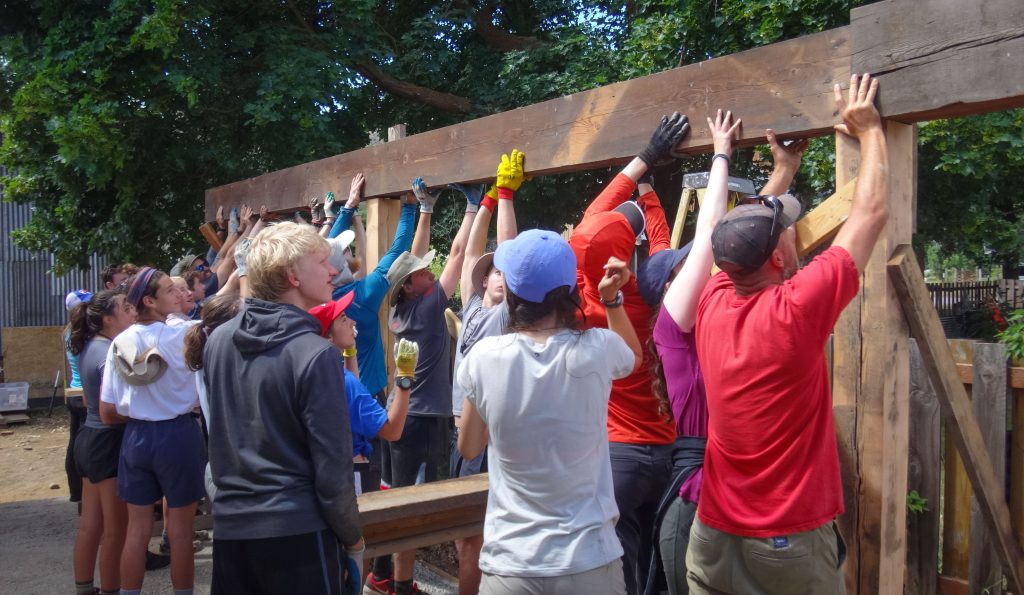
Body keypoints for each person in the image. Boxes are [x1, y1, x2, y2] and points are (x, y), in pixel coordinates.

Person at [688, 74, 887, 594]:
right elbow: (871, 212)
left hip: (711, 535)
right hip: (785, 542)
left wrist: (784, 170)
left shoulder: (713, 299)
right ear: (778, 257)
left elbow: (741, 238)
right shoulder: (795, 309)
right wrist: (869, 131)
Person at [636, 112, 808, 595]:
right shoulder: (675, 326)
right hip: (698, 505)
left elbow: (744, 235)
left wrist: (784, 173)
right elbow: (715, 226)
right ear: (671, 285)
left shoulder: (718, 312)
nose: (704, 263)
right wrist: (720, 154)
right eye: (688, 264)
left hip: (737, 499)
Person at [457, 229, 642, 595]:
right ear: (569, 291)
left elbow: (469, 447)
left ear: (511, 291)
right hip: (589, 560)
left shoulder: (484, 357)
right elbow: (633, 357)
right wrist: (612, 300)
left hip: (511, 562)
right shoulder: (598, 349)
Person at [202, 222, 364, 595]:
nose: (334, 270)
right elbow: (333, 468)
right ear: (292, 274)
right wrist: (353, 539)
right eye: (322, 261)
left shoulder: (219, 341)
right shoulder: (315, 353)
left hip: (232, 533)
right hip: (298, 536)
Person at [568, 111, 691, 594]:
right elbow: (660, 242)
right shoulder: (661, 293)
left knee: (623, 565)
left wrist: (641, 163)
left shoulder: (586, 304)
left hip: (617, 456)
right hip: (669, 451)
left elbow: (588, 228)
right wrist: (649, 194)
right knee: (664, 568)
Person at [377, 176, 478, 595]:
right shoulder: (431, 303)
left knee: (396, 497)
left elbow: (419, 259)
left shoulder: (399, 314)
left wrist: (425, 208)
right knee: (420, 507)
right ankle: (400, 583)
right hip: (427, 418)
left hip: (401, 414)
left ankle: (387, 578)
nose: (428, 272)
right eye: (421, 272)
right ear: (411, 286)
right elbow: (457, 253)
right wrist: (474, 206)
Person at [99, 267, 207, 595]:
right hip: (178, 435)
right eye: (168, 290)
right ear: (149, 300)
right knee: (180, 531)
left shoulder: (119, 341)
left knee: (137, 530)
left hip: (137, 438)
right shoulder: (186, 333)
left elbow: (107, 409)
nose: (179, 293)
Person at [447, 150, 523, 595]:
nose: (496, 274)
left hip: (487, 438)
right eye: (490, 272)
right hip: (460, 435)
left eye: (502, 272)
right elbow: (473, 251)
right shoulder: (473, 306)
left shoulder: (506, 317)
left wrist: (508, 196)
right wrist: (485, 203)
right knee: (463, 536)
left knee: (477, 536)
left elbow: (506, 253)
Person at [307, 292, 417, 494]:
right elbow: (392, 431)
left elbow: (350, 392)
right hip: (353, 475)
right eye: (343, 319)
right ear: (329, 338)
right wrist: (404, 378)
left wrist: (350, 351)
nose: (352, 321)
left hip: (326, 473)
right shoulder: (344, 382)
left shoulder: (318, 371)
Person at [68, 288, 136, 595]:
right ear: (108, 319)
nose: (132, 310)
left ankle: (84, 587)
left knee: (91, 525)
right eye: (125, 307)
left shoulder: (89, 346)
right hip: (106, 443)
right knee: (115, 530)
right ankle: (110, 589)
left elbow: (86, 399)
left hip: (88, 438)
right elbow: (110, 412)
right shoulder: (108, 351)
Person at [64, 289, 94, 507]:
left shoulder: (69, 331)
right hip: (83, 394)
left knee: (75, 442)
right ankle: (85, 492)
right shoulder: (84, 332)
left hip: (76, 392)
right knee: (84, 446)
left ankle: (78, 492)